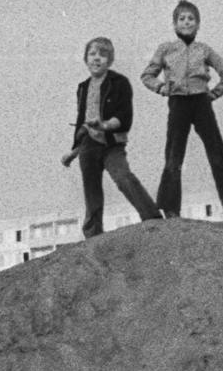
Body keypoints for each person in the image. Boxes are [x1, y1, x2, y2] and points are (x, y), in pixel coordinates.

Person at [140, 0, 223, 218]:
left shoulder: (204, 49)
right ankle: (171, 208)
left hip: (201, 102)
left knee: (216, 152)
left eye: (191, 19)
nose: (186, 22)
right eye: (182, 19)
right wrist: (160, 88)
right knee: (174, 156)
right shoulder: (166, 49)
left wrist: (214, 93)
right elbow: (147, 75)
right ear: (175, 25)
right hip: (178, 103)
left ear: (198, 24)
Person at [60, 37, 161, 237]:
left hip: (111, 143)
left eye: (103, 55)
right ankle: (93, 234)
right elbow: (82, 121)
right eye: (92, 54)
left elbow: (124, 117)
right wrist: (73, 153)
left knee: (123, 177)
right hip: (88, 145)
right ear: (85, 58)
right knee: (91, 189)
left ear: (110, 60)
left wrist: (104, 125)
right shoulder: (83, 87)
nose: (97, 59)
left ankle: (152, 218)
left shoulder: (119, 82)